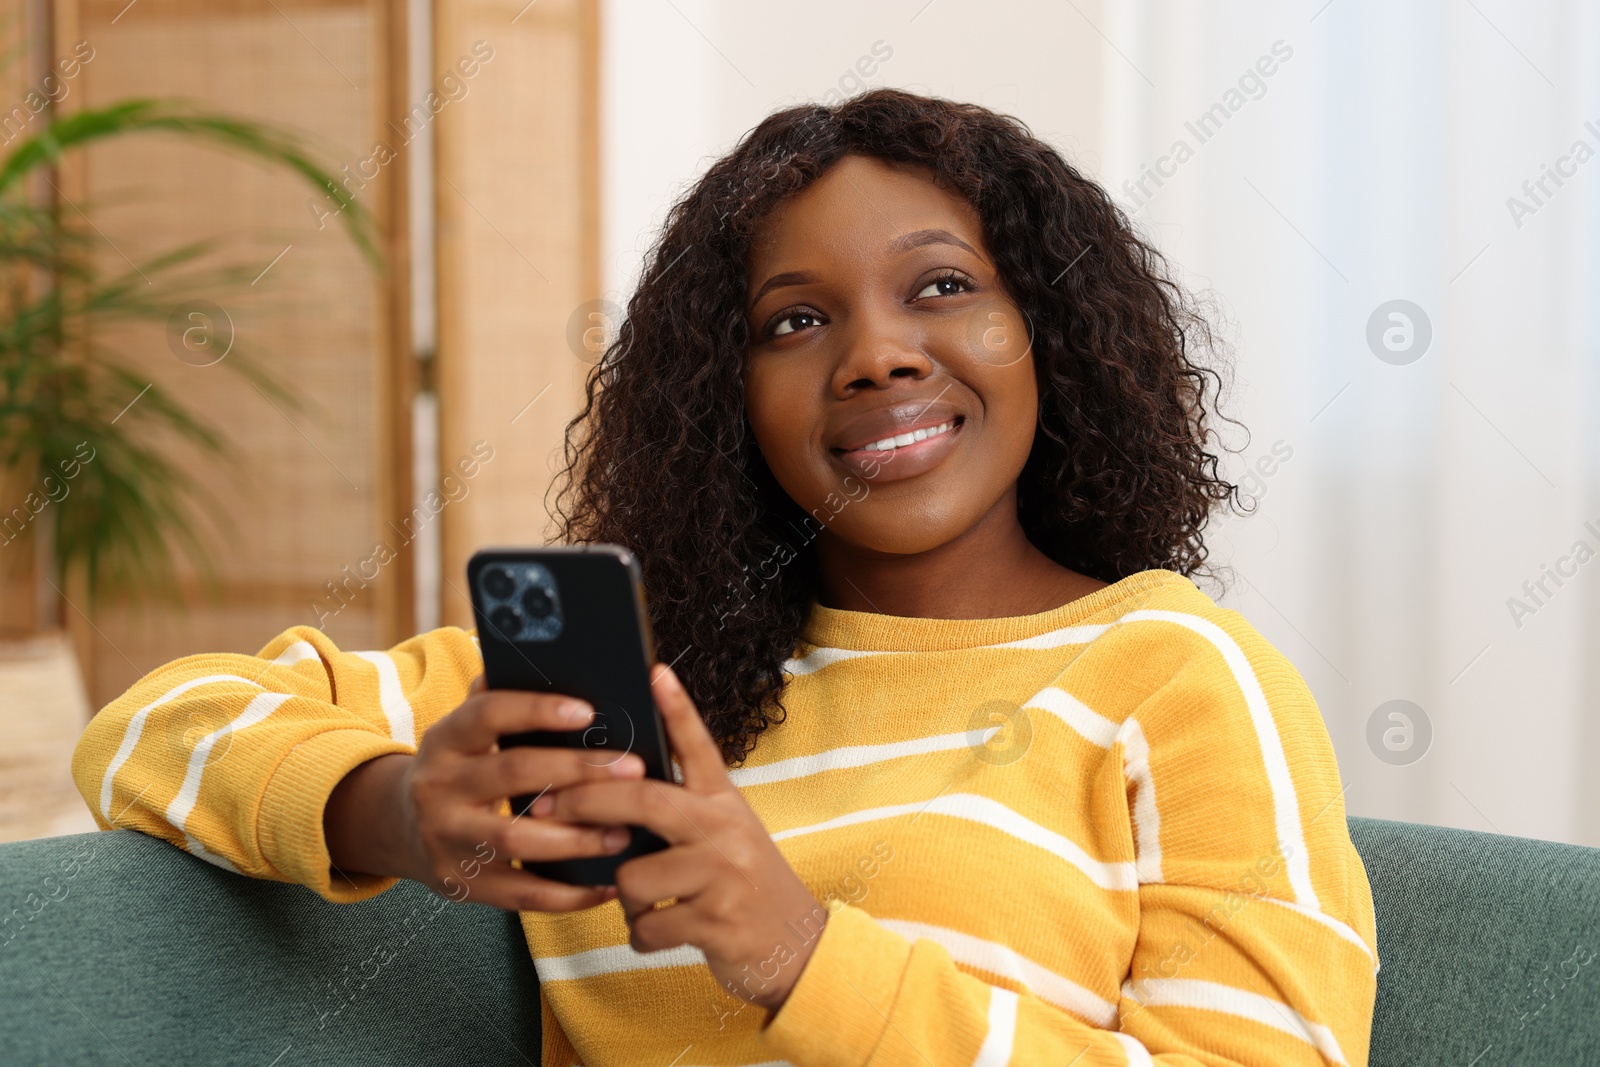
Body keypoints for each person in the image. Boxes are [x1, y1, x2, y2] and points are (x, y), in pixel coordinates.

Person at [72, 89, 1377, 1065]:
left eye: (942, 286)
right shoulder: (636, 683)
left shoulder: (1178, 674)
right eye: (794, 321)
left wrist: (803, 955)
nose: (877, 356)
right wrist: (399, 810)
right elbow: (147, 730)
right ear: (722, 399)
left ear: (1050, 334)